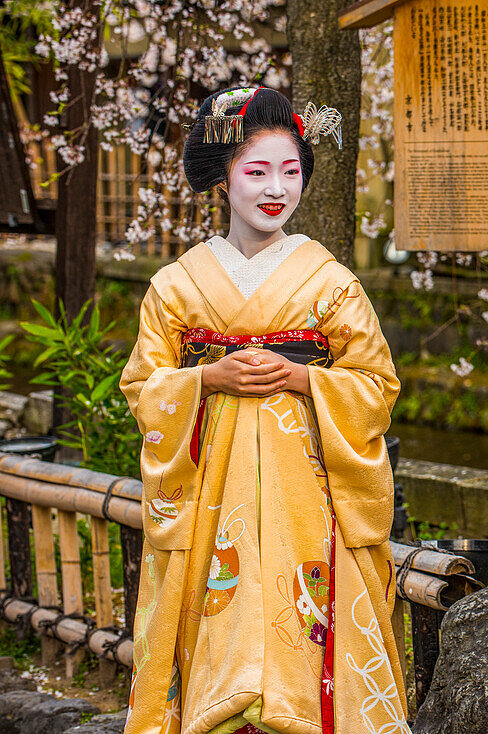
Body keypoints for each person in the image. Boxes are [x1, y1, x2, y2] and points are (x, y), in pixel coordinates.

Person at [121, 86, 409, 734]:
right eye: (257, 171)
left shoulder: (330, 281)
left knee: (306, 642)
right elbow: (144, 386)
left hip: (306, 499)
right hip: (209, 499)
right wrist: (207, 378)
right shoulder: (177, 285)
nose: (276, 187)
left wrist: (306, 380)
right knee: (216, 627)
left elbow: (377, 383)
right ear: (224, 178)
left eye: (290, 170)